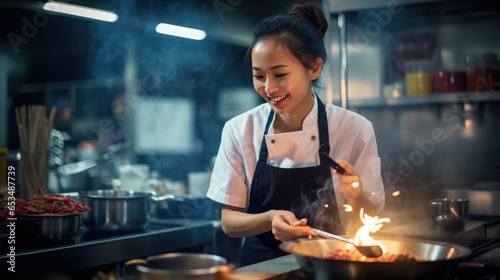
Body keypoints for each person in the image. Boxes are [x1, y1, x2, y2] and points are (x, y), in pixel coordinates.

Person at [206, 1, 385, 266]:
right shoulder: (240, 129)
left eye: (280, 74)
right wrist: (269, 219)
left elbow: (372, 215)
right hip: (261, 269)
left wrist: (356, 195)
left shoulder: (354, 128)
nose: (269, 88)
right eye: (259, 76)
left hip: (332, 266)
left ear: (314, 68)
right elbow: (229, 222)